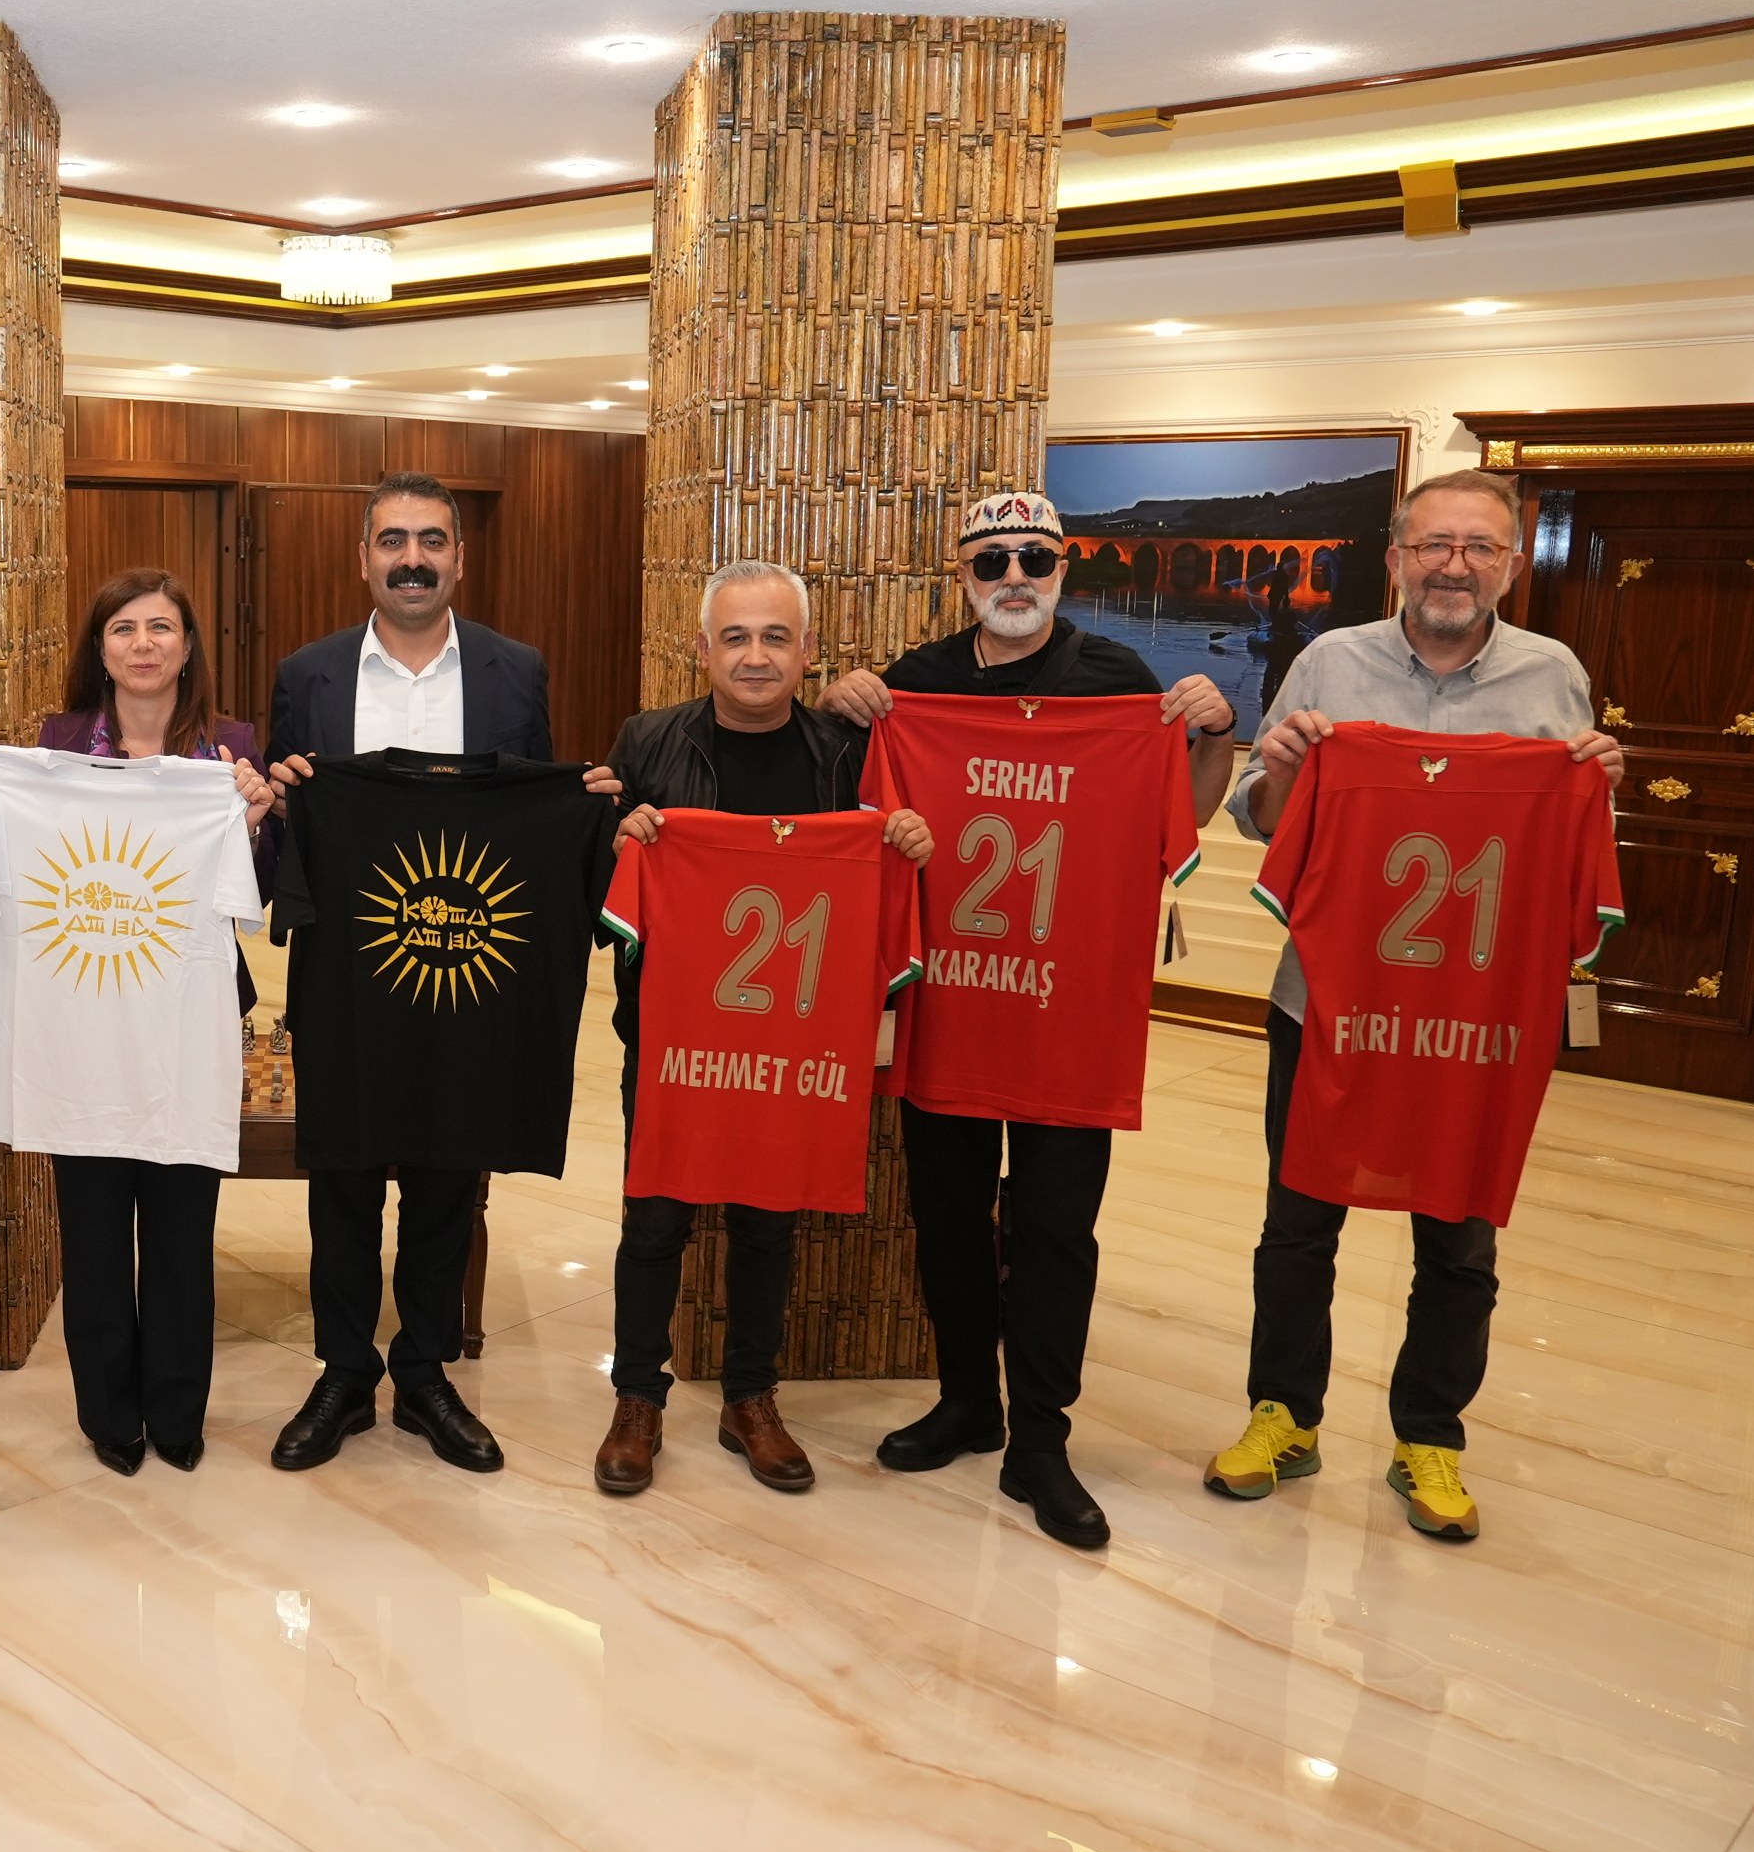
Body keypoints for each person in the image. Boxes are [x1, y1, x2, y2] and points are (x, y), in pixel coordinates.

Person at [1204, 467, 1622, 1542]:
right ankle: (1283, 1412)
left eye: (1479, 547)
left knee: (1460, 1235)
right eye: (1434, 544)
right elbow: (1263, 821)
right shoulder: (1329, 662)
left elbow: (1567, 837)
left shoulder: (1553, 675)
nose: (1454, 566)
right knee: (1298, 1223)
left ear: (1510, 565)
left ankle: (1429, 1432)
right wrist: (1282, 768)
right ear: (1396, 558)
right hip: (1328, 1005)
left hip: (1475, 1016)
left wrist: (1595, 788)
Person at [821, 491, 1236, 1547]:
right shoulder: (917, 685)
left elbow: (1186, 815)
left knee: (1056, 1230)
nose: (1015, 576)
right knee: (948, 1216)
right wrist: (841, 706)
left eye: (1035, 559)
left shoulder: (1121, 685)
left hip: (1070, 1012)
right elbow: (846, 811)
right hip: (949, 1001)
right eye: (993, 560)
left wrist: (1213, 732)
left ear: (1063, 567)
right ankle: (970, 1400)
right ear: (962, 574)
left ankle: (1042, 1440)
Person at [261, 470, 613, 1477]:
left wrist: (580, 805)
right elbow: (290, 832)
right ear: (363, 558)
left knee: (450, 1170)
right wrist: (283, 798)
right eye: (392, 540)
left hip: (470, 962)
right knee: (340, 1175)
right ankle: (342, 1371)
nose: (411, 559)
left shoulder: (515, 670)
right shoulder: (309, 674)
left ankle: (424, 1372)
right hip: (347, 968)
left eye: (430, 541)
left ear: (459, 556)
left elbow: (526, 815)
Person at [596, 563, 933, 1496]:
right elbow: (600, 904)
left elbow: (882, 882)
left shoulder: (847, 753)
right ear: (702, 649)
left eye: (776, 637)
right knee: (654, 1218)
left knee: (768, 1221)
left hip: (795, 1041)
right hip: (673, 1037)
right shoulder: (647, 741)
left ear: (808, 651)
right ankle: (637, 1398)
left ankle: (750, 1396)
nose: (755, 656)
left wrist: (905, 847)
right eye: (736, 637)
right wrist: (619, 841)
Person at [0, 568, 273, 1476]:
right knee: (93, 1232)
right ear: (99, 649)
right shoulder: (52, 749)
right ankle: (108, 1413)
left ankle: (177, 1410)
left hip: (181, 1021)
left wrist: (255, 819)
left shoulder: (228, 751)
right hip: (80, 1026)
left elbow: (257, 895)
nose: (143, 644)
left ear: (188, 646)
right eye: (124, 628)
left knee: (181, 1229)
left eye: (161, 627)